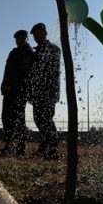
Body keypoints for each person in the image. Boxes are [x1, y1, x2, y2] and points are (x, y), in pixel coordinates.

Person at [27, 23, 61, 160]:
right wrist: (31, 91)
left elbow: (50, 71)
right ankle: (43, 148)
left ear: (45, 34)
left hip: (48, 92)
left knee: (46, 120)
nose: (37, 36)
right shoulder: (37, 52)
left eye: (39, 33)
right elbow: (33, 74)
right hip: (38, 93)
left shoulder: (53, 49)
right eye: (35, 34)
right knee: (39, 120)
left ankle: (53, 150)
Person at [0, 30, 34, 156]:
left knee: (18, 118)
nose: (18, 40)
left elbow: (24, 73)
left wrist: (12, 85)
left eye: (20, 38)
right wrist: (4, 85)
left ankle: (20, 146)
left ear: (26, 38)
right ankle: (9, 144)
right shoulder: (13, 52)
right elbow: (7, 71)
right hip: (8, 90)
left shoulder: (29, 53)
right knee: (6, 117)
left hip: (19, 91)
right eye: (17, 38)